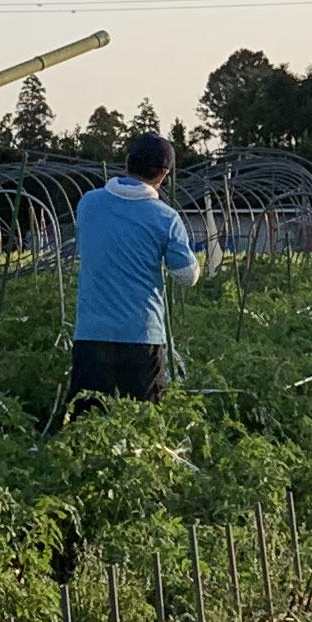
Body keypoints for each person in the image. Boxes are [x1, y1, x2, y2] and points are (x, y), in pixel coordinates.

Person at [63, 131, 201, 420]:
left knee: (86, 424)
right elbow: (188, 276)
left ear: (126, 163)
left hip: (91, 333)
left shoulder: (88, 204)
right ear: (164, 175)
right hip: (141, 336)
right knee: (143, 426)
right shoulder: (165, 218)